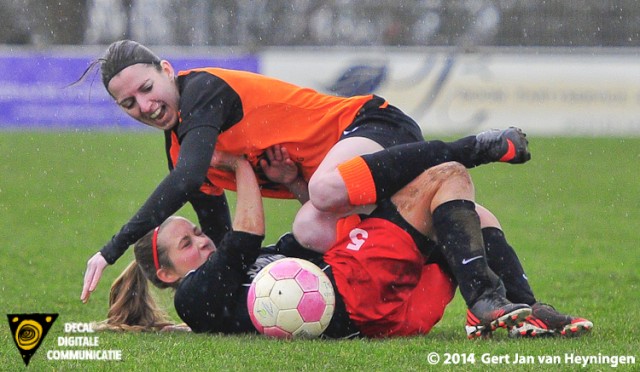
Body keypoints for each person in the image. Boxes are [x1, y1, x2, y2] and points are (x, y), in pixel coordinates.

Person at [79, 39, 531, 304]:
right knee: (322, 225)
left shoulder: (202, 91)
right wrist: (218, 305)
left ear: (166, 70)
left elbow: (184, 177)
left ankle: (472, 146)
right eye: (129, 103)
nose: (145, 105)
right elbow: (226, 241)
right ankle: (521, 307)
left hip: (374, 127)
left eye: (147, 87)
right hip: (349, 186)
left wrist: (112, 248)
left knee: (325, 189)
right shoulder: (181, 148)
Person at [97, 149, 591, 339]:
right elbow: (244, 233)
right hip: (356, 289)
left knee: (473, 222)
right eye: (188, 243)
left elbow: (307, 239)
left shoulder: (256, 271)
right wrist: (239, 163)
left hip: (382, 312)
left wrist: (293, 184)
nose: (203, 242)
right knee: (449, 175)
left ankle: (518, 311)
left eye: (199, 233)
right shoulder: (194, 297)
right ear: (165, 273)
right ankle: (487, 300)